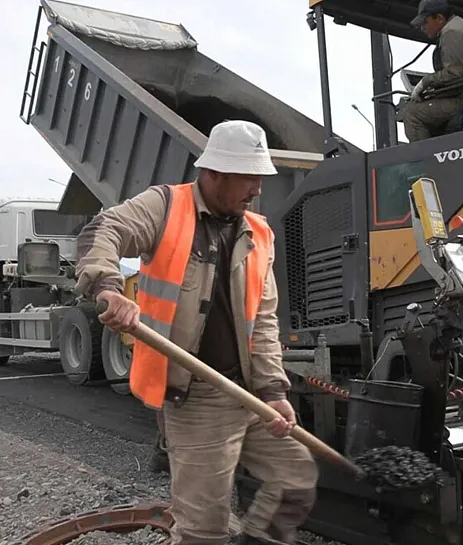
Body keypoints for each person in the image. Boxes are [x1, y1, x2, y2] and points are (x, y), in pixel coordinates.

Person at [74, 119, 319, 545]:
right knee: (205, 527)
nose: (257, 189)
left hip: (247, 391)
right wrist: (109, 287)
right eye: (249, 177)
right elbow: (103, 231)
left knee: (295, 478)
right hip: (197, 394)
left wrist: (274, 390)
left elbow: (262, 320)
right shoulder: (166, 207)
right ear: (215, 173)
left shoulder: (258, 233)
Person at [403, 0, 463, 141]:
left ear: (440, 18)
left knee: (411, 113)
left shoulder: (452, 32)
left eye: (425, 22)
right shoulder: (459, 26)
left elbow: (455, 74)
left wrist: (426, 82)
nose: (422, 28)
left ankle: (425, 162)